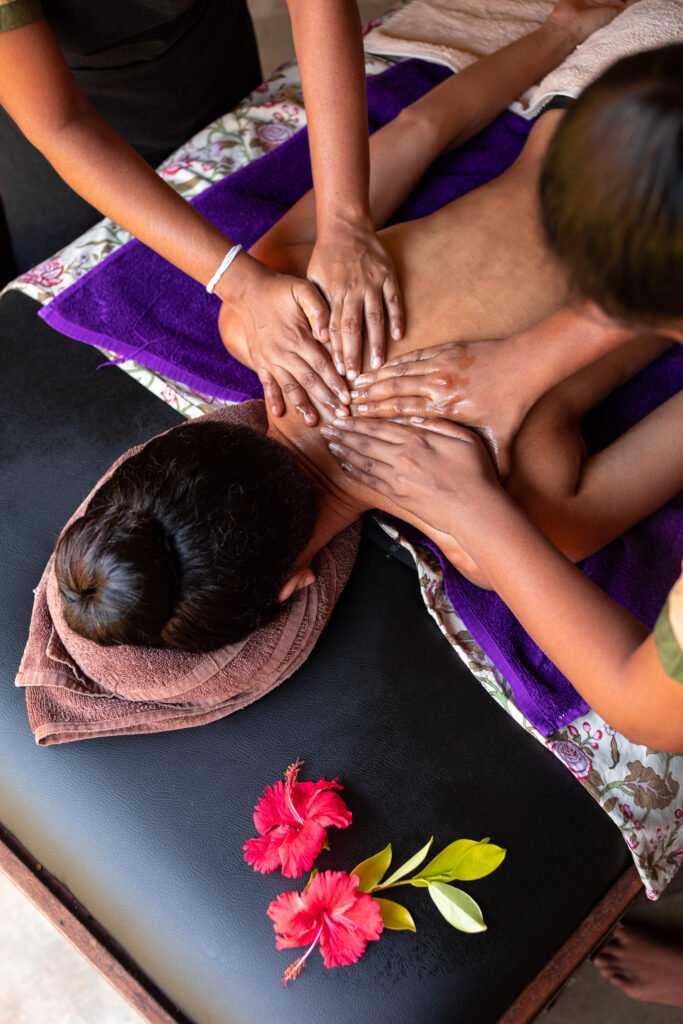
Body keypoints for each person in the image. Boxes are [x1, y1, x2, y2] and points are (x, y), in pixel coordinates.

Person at [53, 7, 681, 666]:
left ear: (292, 584)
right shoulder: (265, 310)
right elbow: (422, 126)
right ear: (196, 436)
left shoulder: (502, 531)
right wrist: (565, 31)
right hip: (620, 79)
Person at [0, 2, 403, 423]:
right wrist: (241, 286)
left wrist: (346, 220)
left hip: (206, 56)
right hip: (59, 115)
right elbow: (61, 125)